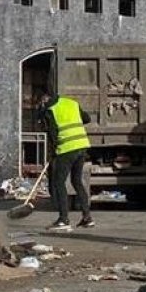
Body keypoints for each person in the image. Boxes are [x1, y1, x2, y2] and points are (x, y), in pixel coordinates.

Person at [38, 90, 95, 231]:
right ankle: (87, 218)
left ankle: (63, 220)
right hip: (82, 146)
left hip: (67, 148)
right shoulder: (72, 103)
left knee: (58, 182)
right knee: (77, 181)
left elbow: (52, 133)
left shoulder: (50, 110)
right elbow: (87, 118)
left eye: (41, 101)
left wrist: (53, 153)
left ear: (46, 99)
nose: (41, 103)